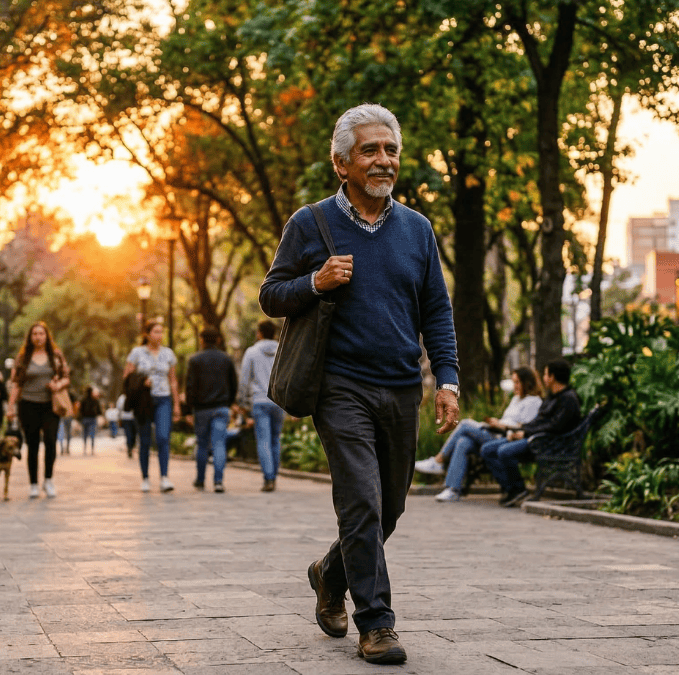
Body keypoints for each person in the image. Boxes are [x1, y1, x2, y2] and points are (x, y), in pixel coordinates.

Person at [259, 103, 460, 666]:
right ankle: (377, 623)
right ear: (342, 162)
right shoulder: (311, 223)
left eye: (390, 149)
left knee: (390, 507)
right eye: (370, 150)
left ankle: (330, 571)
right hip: (339, 386)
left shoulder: (417, 230)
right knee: (361, 501)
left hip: (400, 387)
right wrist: (315, 282)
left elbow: (436, 313)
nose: (383, 160)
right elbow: (271, 295)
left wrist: (447, 379)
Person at [418, 367, 543, 502]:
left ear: (527, 383)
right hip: (496, 431)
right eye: (514, 382)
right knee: (464, 442)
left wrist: (502, 425)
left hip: (506, 437)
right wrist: (497, 422)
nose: (515, 386)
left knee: (465, 424)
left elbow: (524, 427)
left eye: (518, 382)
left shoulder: (533, 401)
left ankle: (439, 460)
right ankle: (453, 490)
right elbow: (509, 419)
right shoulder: (516, 399)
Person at [481, 358, 581, 508]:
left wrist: (525, 434)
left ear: (552, 377)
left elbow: (554, 427)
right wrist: (520, 430)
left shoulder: (568, 399)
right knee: (487, 449)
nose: (543, 378)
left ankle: (518, 489)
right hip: (534, 438)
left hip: (547, 444)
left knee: (503, 451)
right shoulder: (552, 397)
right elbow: (539, 422)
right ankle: (513, 489)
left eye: (546, 375)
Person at [8, 321, 70, 498]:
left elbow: (66, 377)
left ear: (46, 335)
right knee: (32, 444)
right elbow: (16, 384)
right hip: (28, 404)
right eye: (34, 334)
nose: (38, 337)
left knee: (51, 441)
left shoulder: (55, 355)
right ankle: (33, 483)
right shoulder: (23, 357)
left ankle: (48, 480)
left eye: (41, 333)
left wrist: (57, 385)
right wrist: (10, 407)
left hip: (50, 405)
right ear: (30, 337)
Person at [124, 320, 181, 493]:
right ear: (147, 334)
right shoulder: (136, 353)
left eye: (161, 332)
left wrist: (177, 404)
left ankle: (164, 477)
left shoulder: (168, 354)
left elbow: (173, 381)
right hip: (144, 400)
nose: (159, 335)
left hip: (163, 399)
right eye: (156, 332)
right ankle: (146, 478)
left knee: (163, 438)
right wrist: (142, 382)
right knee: (145, 440)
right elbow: (127, 378)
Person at [186, 326, 238, 492]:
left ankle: (200, 480)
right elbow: (233, 384)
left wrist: (188, 409)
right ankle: (218, 482)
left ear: (201, 340)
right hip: (221, 407)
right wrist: (228, 403)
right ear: (218, 340)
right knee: (219, 444)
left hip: (201, 409)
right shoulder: (227, 359)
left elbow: (190, 386)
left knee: (202, 445)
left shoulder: (194, 360)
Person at [238, 319, 285, 492]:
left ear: (259, 333)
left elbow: (244, 380)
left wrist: (243, 402)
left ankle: (269, 478)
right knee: (275, 439)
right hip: (279, 401)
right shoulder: (283, 349)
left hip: (259, 401)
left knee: (263, 440)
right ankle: (274, 475)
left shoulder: (251, 352)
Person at [78, 387, 102, 455]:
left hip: (85, 419)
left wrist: (80, 418)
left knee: (85, 434)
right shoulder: (94, 400)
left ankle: (85, 448)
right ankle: (92, 449)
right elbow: (99, 410)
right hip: (92, 418)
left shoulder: (83, 400)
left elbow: (80, 410)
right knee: (92, 434)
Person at [116, 388, 138, 458]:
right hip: (126, 417)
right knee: (129, 433)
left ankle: (131, 446)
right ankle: (129, 447)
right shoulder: (122, 397)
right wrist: (119, 417)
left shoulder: (133, 396)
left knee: (132, 433)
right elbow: (119, 408)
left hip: (132, 417)